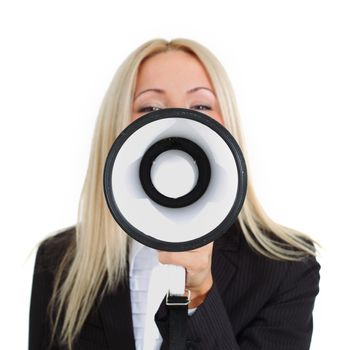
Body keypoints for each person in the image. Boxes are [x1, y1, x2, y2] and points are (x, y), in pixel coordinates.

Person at [29, 38, 320, 350]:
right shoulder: (60, 261)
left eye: (201, 106)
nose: (177, 122)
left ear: (228, 125)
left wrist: (201, 296)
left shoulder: (285, 268)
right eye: (150, 107)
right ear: (117, 127)